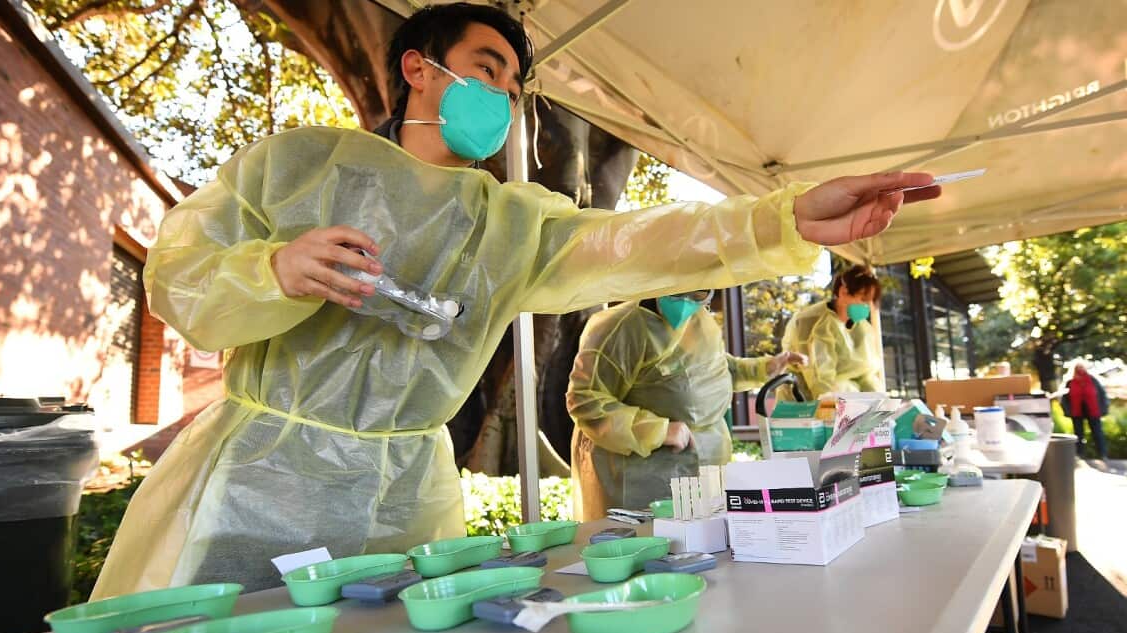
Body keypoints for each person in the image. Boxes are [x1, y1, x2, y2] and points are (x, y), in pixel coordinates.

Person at [92, 2, 941, 598]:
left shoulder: (510, 224)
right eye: (486, 69)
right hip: (261, 477)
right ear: (418, 69)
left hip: (407, 491)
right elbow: (178, 275)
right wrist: (272, 270)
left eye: (511, 86)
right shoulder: (302, 164)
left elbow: (640, 241)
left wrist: (785, 217)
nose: (500, 99)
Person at [567, 292, 806, 518]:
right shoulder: (620, 328)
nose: (689, 299)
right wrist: (656, 430)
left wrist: (766, 367)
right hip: (643, 481)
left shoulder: (700, 318)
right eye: (683, 290)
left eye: (701, 293)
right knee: (652, 550)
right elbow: (586, 400)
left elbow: (715, 369)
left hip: (704, 474)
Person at [782, 264, 884, 400]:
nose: (866, 306)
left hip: (846, 404)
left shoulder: (863, 328)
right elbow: (819, 379)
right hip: (803, 404)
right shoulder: (812, 322)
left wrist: (879, 402)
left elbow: (867, 373)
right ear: (843, 292)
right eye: (863, 299)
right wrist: (831, 408)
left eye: (870, 301)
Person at [1061, 363, 1109, 460]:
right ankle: (1080, 454)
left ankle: (1102, 454)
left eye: (1082, 367)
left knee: (1097, 433)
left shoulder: (1093, 380)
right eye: (1078, 368)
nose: (1080, 370)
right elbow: (1064, 398)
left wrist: (1104, 408)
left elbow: (1102, 394)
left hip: (1093, 411)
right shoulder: (1070, 382)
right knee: (1078, 434)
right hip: (1077, 411)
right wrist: (1067, 410)